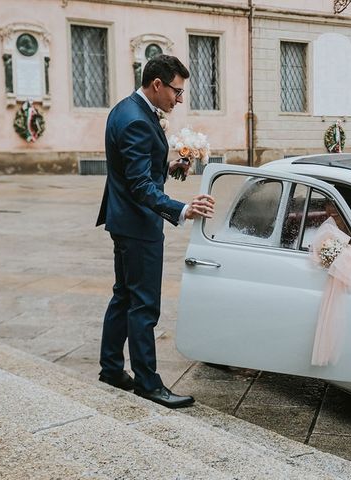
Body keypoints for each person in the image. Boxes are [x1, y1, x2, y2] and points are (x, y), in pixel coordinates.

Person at [96, 54, 215, 409]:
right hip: (137, 226)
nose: (179, 99)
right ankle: (148, 383)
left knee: (123, 296)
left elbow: (140, 169)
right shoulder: (136, 119)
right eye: (176, 92)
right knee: (144, 305)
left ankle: (111, 369)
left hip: (124, 220)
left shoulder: (127, 108)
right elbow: (138, 185)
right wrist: (181, 209)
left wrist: (169, 165)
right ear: (157, 84)